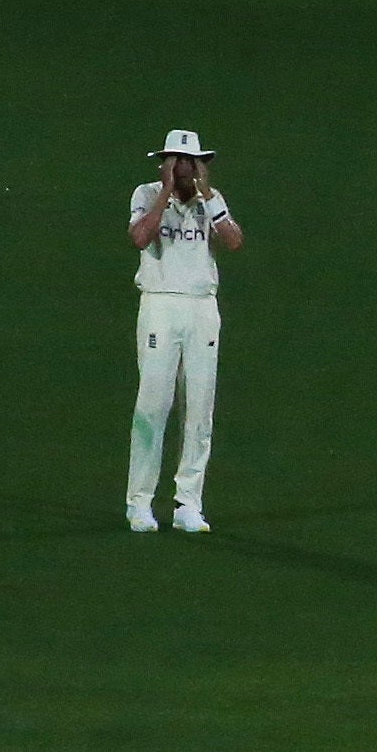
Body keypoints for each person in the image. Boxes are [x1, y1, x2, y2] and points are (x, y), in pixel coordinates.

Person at [123, 130, 243, 534]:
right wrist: (166, 193)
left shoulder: (213, 201)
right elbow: (140, 237)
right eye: (177, 162)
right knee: (152, 405)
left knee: (199, 409)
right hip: (159, 304)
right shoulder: (145, 193)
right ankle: (139, 502)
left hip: (201, 308)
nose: (185, 169)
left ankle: (188, 503)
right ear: (165, 164)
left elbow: (234, 242)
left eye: (191, 162)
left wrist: (208, 198)